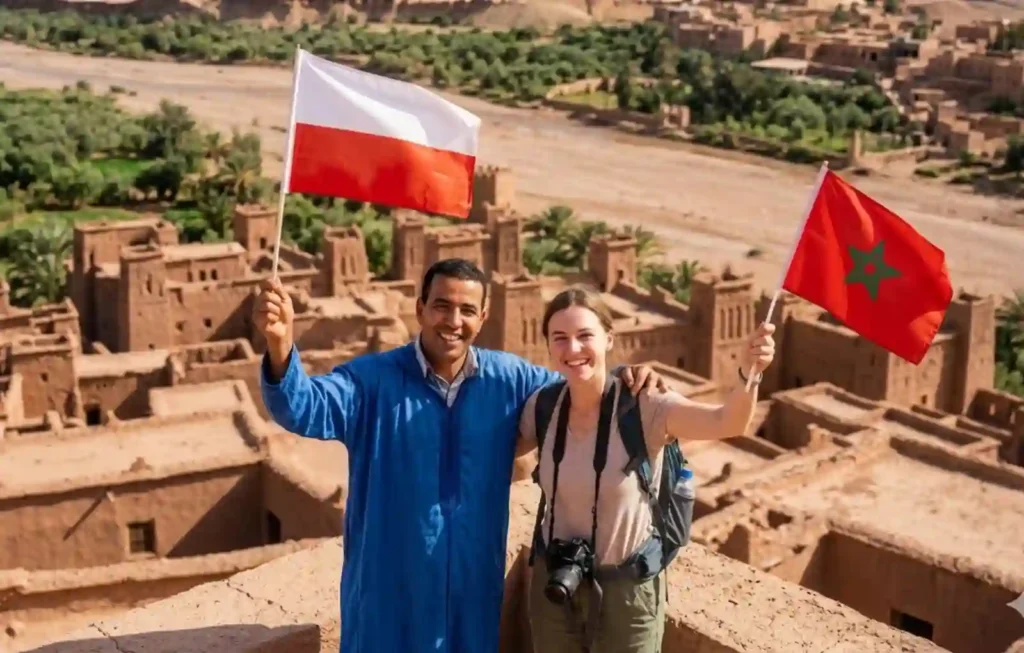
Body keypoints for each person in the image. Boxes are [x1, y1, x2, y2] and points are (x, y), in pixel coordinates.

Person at [254, 258, 666, 653]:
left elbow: (577, 392)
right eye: (442, 306)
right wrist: (280, 346)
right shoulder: (371, 382)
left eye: (467, 310)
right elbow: (302, 407)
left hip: (471, 591)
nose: (453, 321)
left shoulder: (510, 380)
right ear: (420, 309)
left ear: (483, 317)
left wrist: (625, 377)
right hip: (389, 592)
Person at [516, 285, 776, 653]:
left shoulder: (644, 404)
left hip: (626, 594)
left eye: (585, 335)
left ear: (609, 338)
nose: (572, 348)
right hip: (556, 582)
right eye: (560, 338)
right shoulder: (543, 407)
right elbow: (494, 453)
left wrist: (750, 372)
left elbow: (727, 422)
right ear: (547, 344)